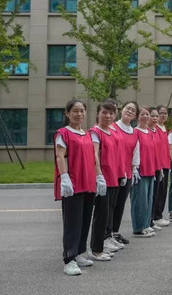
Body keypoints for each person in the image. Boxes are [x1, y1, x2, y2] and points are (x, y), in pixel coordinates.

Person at [53, 99, 98, 275]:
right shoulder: (63, 133)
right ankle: (69, 259)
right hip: (73, 183)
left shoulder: (87, 134)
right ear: (67, 113)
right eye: (75, 111)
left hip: (88, 182)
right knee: (72, 222)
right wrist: (64, 177)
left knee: (85, 220)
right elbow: (60, 156)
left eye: (82, 111)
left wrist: (98, 177)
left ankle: (79, 253)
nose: (79, 114)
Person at [89, 101, 122, 262]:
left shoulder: (111, 132)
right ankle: (96, 250)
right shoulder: (96, 132)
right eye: (104, 112)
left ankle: (103, 242)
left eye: (111, 113)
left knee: (108, 213)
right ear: (97, 114)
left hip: (113, 177)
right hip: (103, 178)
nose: (108, 116)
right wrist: (98, 176)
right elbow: (94, 154)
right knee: (101, 215)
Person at [112, 101, 139, 245]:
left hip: (127, 173)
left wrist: (133, 171)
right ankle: (107, 234)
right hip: (113, 173)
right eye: (128, 108)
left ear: (135, 115)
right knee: (110, 205)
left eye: (133, 110)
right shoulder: (113, 127)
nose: (130, 111)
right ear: (121, 110)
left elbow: (135, 153)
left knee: (120, 204)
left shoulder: (134, 132)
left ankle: (115, 232)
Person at [131, 107, 157, 237]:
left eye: (147, 114)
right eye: (143, 114)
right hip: (140, 170)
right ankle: (138, 227)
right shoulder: (135, 132)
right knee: (139, 200)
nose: (146, 116)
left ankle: (146, 224)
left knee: (148, 200)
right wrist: (134, 168)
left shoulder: (150, 132)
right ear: (137, 116)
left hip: (150, 170)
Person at [152, 105, 171, 228]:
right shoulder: (155, 128)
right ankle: (156, 216)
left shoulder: (165, 128)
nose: (163, 115)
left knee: (163, 192)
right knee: (158, 192)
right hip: (159, 164)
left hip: (166, 164)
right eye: (161, 113)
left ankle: (159, 215)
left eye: (165, 113)